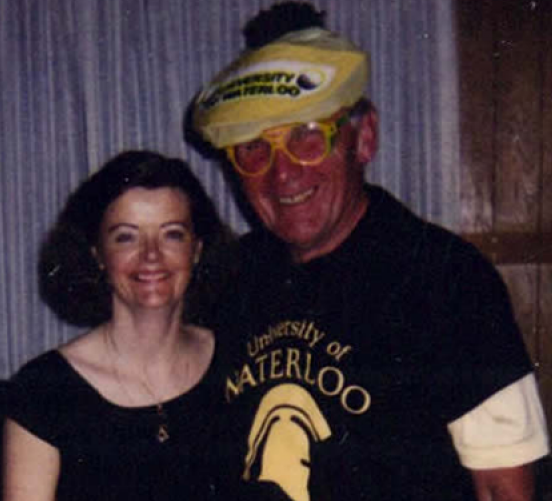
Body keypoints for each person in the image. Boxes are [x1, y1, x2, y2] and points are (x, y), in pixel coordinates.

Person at [191, 3, 550, 501]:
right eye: (254, 148)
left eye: (309, 137)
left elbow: (504, 488)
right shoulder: (227, 280)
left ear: (364, 138)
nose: (284, 173)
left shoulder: (446, 278)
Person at [3, 151, 233, 500]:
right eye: (126, 237)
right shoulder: (44, 391)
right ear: (97, 254)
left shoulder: (239, 360)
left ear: (197, 249)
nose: (151, 255)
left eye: (172, 234)